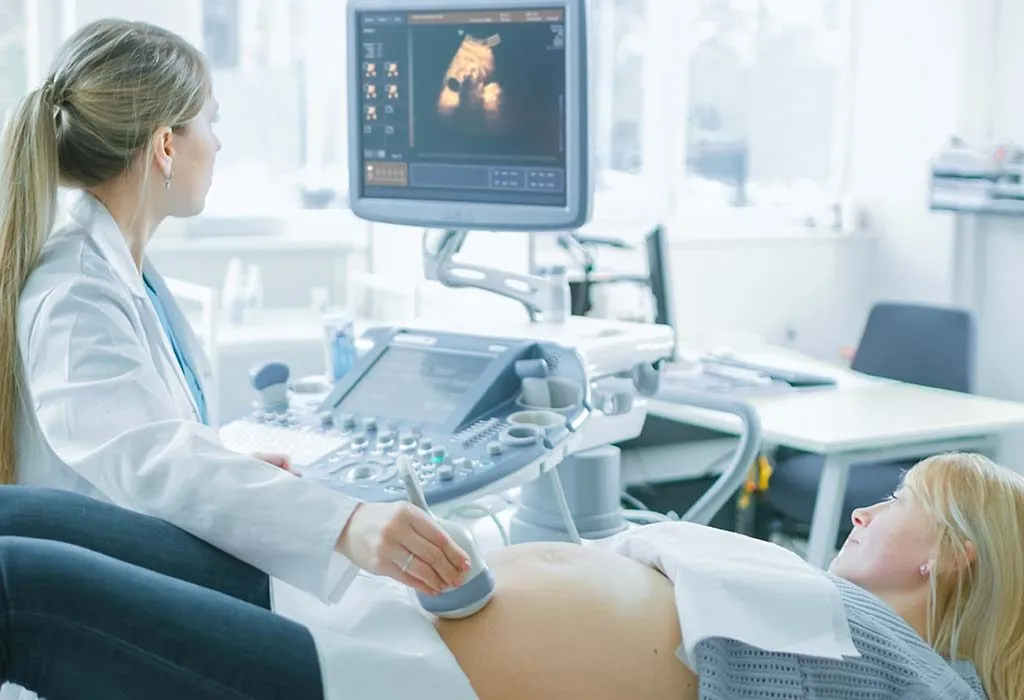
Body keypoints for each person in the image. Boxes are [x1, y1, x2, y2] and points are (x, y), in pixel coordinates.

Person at [0, 17, 472, 610]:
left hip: (147, 575)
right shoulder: (75, 295)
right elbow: (152, 461)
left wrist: (230, 470)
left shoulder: (114, 269)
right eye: (211, 121)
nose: (218, 144)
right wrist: (346, 523)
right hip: (118, 612)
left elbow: (149, 447)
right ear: (166, 146)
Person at [0, 452, 1018, 700]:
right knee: (29, 515)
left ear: (953, 551)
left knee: (21, 589)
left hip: (384, 675)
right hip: (361, 601)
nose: (864, 510)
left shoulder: (914, 680)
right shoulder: (827, 608)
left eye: (898, 500)